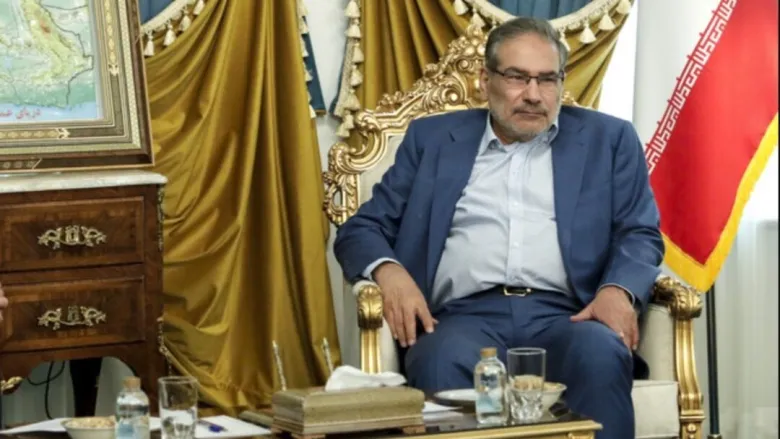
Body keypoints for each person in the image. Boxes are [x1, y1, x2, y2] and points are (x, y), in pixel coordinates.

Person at [333, 16, 663, 439]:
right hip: (462, 319)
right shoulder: (432, 140)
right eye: (517, 77)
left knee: (600, 354)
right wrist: (390, 273)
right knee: (438, 360)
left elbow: (640, 231)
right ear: (485, 80)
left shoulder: (609, 139)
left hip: (569, 316)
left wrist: (617, 290)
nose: (533, 95)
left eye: (547, 79)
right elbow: (361, 229)